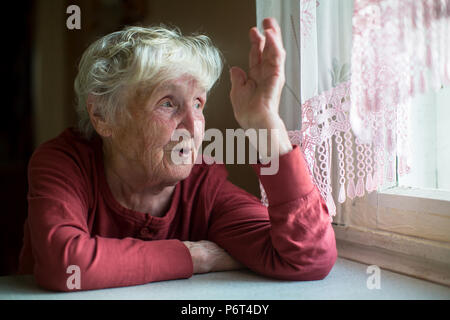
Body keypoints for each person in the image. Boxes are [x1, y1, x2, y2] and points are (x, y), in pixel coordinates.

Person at [18, 18, 337, 291]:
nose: (192, 126)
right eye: (168, 103)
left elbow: (309, 257)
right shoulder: (64, 163)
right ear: (103, 115)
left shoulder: (203, 184)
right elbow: (65, 265)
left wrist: (264, 122)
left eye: (198, 104)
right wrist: (196, 257)